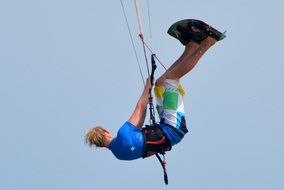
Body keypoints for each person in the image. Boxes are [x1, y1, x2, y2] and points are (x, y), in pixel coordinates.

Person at [85, 19, 225, 160]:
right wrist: (147, 86)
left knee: (160, 84)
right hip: (172, 126)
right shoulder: (123, 134)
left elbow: (150, 148)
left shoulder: (120, 155)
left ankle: (191, 46)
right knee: (172, 78)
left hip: (169, 129)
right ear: (105, 131)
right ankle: (208, 42)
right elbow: (141, 107)